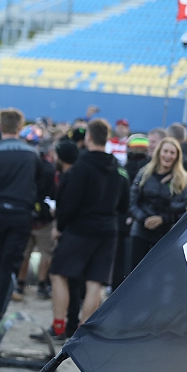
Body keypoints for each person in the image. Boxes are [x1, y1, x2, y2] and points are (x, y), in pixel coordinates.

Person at [48, 119, 129, 338]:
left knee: (58, 274)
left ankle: (59, 325)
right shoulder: (119, 169)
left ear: (88, 138)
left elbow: (69, 203)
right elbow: (124, 205)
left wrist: (60, 227)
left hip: (80, 229)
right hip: (108, 230)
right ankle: (82, 335)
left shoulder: (80, 167)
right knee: (95, 282)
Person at [0, 109, 48, 330]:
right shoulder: (32, 154)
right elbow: (41, 185)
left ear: (0, 127)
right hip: (21, 214)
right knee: (9, 264)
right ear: (20, 127)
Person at [129, 136, 187, 271]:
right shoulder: (144, 173)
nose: (168, 155)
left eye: (172, 152)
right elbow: (132, 201)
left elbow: (183, 208)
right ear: (159, 153)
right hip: (140, 230)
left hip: (165, 234)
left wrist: (163, 219)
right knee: (135, 272)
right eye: (165, 151)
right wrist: (144, 218)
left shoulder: (182, 180)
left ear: (177, 156)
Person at [13, 124, 57, 301]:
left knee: (26, 252)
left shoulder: (20, 164)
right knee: (44, 252)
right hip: (41, 216)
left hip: (25, 213)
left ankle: (21, 284)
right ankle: (40, 285)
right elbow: (53, 192)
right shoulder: (48, 166)